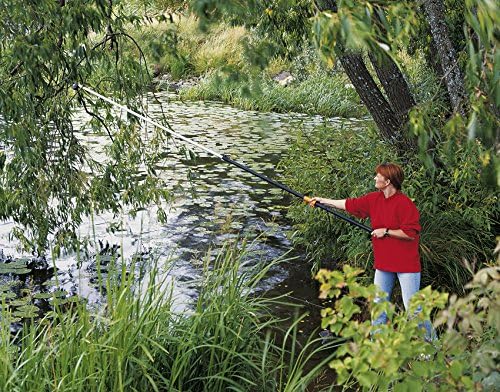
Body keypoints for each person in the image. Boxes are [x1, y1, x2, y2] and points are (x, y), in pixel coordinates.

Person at [308, 162, 434, 340]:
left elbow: (411, 233)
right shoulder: (374, 199)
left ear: (388, 181)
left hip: (406, 266)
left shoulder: (404, 204)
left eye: (378, 176)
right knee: (378, 305)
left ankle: (433, 349)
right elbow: (349, 204)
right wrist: (323, 201)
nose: (375, 178)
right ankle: (378, 345)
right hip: (383, 265)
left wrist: (387, 231)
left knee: (414, 309)